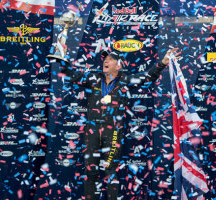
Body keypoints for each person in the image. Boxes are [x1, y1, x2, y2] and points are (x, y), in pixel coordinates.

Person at [59, 48, 180, 200]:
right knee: (90, 172)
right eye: (105, 59)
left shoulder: (125, 80)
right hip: (92, 132)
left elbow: (147, 77)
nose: (105, 61)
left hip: (113, 133)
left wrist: (162, 63)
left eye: (110, 59)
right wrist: (62, 60)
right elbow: (74, 77)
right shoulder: (94, 78)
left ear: (118, 66)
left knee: (110, 171)